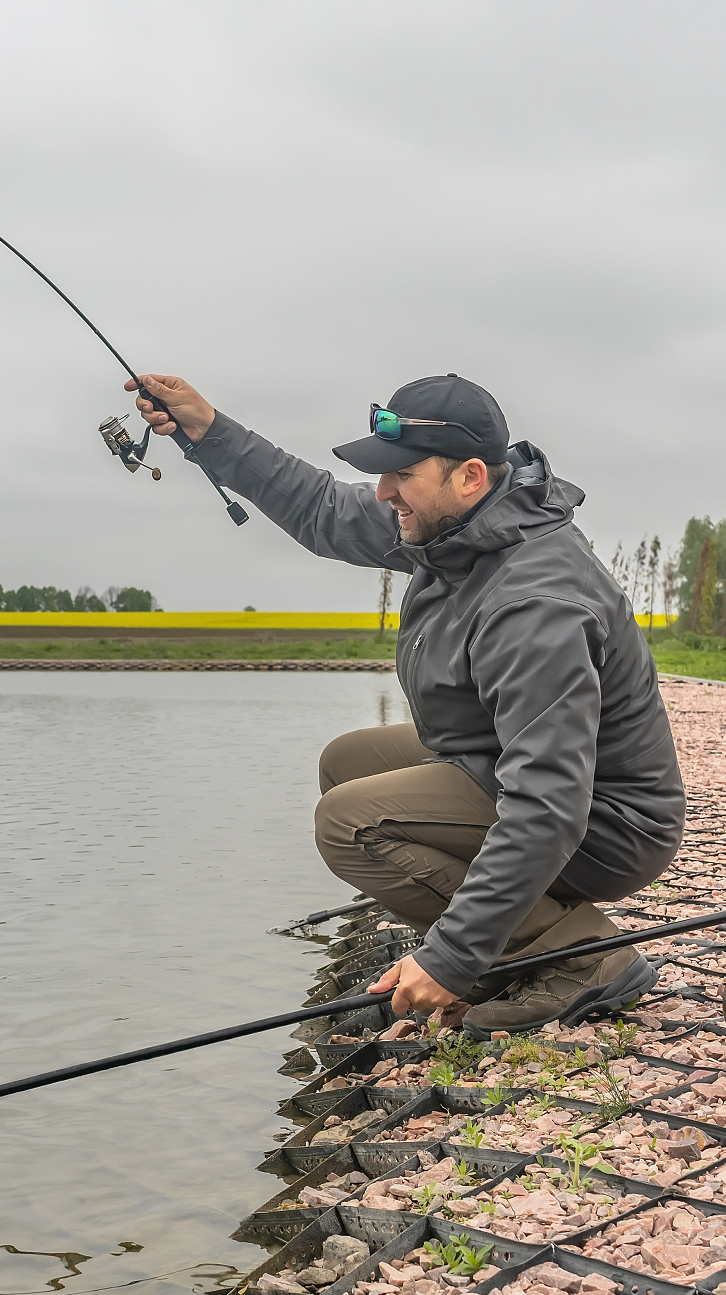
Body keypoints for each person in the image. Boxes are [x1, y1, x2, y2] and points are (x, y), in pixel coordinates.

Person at [127, 371, 683, 1036]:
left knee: (349, 822)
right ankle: (512, 943)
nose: (384, 492)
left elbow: (548, 804)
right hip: (520, 767)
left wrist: (447, 957)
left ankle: (580, 959)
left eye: (401, 475)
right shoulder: (459, 531)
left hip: (607, 822)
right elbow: (322, 510)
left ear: (470, 476)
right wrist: (211, 433)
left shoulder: (534, 602)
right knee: (348, 764)